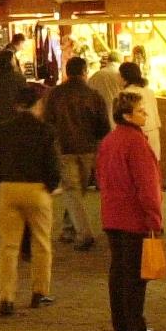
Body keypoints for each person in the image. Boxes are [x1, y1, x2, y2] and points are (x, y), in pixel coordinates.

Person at [0, 86, 62, 317]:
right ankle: (39, 292)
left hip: (8, 189)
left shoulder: (3, 131)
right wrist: (51, 185)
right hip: (37, 190)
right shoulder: (45, 131)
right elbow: (53, 165)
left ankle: (6, 298)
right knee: (41, 243)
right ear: (37, 105)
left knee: (8, 246)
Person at [99, 91, 163, 331]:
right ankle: (135, 324)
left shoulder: (109, 141)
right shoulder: (136, 143)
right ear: (127, 115)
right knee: (136, 275)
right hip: (133, 218)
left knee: (118, 272)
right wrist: (155, 220)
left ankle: (120, 323)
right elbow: (147, 186)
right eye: (140, 111)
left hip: (112, 215)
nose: (145, 114)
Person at [44, 55, 112, 252]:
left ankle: (82, 232)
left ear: (67, 72)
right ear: (84, 72)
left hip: (64, 148)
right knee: (77, 190)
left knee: (73, 191)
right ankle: (71, 229)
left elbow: (49, 121)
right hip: (88, 149)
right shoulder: (93, 95)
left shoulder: (56, 94)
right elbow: (103, 126)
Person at [118, 61, 160, 160]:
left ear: (124, 76)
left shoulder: (126, 94)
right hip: (154, 130)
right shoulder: (149, 91)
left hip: (138, 132)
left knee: (140, 164)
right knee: (153, 164)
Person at [0, 45, 25, 134]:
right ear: (11, 62)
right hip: (14, 115)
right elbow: (25, 96)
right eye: (14, 60)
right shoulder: (18, 77)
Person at [87, 47, 125, 119]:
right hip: (119, 117)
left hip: (100, 117)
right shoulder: (122, 75)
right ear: (121, 61)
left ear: (108, 60)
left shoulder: (95, 76)